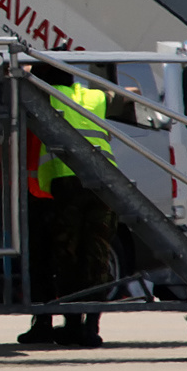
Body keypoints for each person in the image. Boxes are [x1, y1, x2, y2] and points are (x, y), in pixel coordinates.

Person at [22, 63, 118, 348]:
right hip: (106, 184)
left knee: (67, 259)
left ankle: (72, 325)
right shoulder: (92, 97)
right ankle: (91, 327)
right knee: (97, 259)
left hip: (66, 186)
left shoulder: (48, 96)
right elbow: (115, 97)